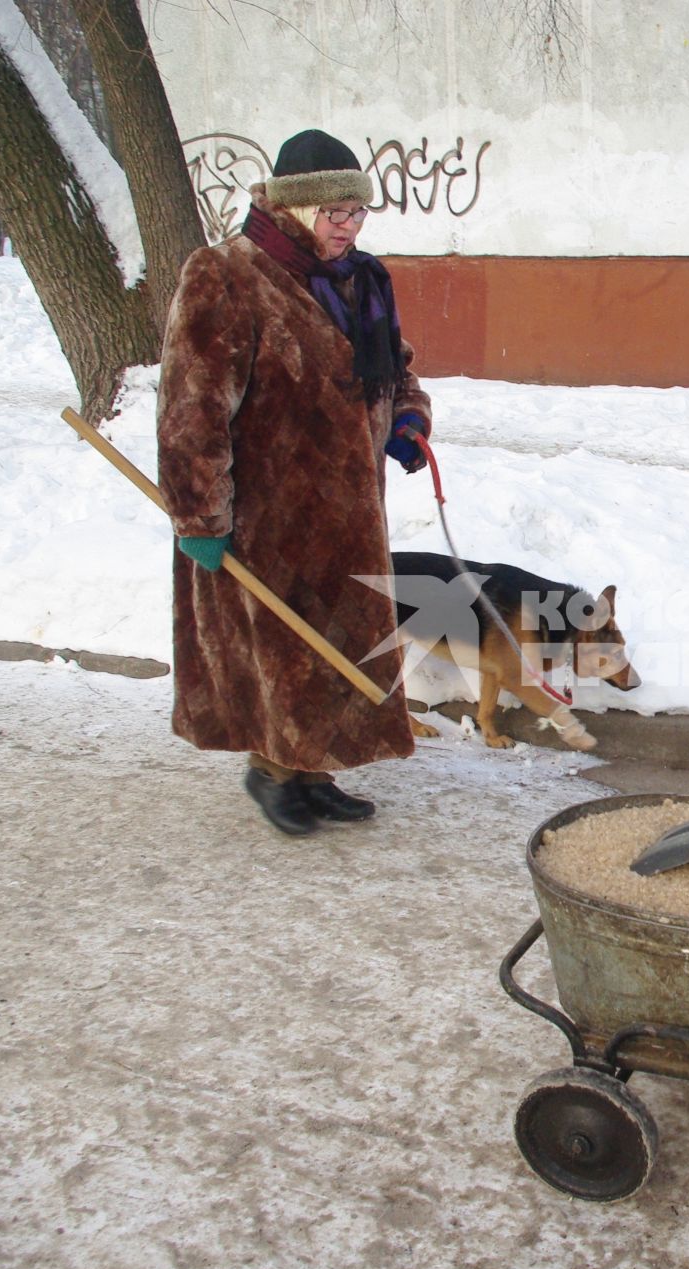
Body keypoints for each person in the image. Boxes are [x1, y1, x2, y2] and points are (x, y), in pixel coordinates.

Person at [156, 128, 436, 836]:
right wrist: (199, 519)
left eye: (357, 212)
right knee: (279, 651)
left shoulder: (362, 279)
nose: (348, 227)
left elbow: (395, 365)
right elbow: (192, 407)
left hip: (350, 511)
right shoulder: (227, 273)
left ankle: (314, 770)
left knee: (335, 646)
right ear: (293, 210)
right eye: (333, 213)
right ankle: (273, 773)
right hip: (263, 517)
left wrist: (407, 418)